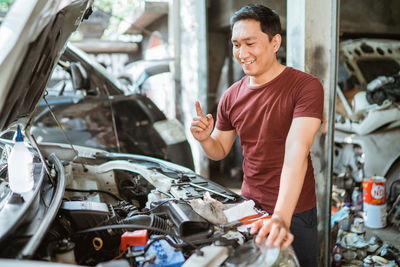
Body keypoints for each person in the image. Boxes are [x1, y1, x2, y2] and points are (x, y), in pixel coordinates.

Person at [190, 3, 324, 267]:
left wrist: (281, 218)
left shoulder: (305, 87)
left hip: (294, 209)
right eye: (236, 44)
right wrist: (206, 138)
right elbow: (220, 149)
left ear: (275, 42)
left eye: (250, 43)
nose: (242, 53)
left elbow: (296, 151)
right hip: (250, 205)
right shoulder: (231, 96)